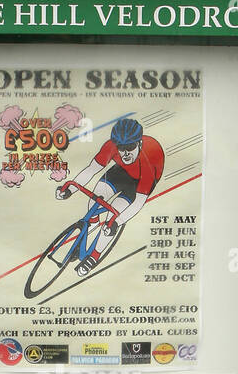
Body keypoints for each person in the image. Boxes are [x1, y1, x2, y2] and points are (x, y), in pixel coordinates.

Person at [55, 117, 165, 277]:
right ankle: (90, 226)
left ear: (139, 144)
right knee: (96, 197)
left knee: (112, 219)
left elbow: (139, 202)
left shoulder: (149, 161)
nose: (125, 152)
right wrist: (70, 189)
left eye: (130, 147)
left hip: (140, 182)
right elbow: (91, 169)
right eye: (121, 148)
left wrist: (116, 223)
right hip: (121, 172)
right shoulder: (111, 146)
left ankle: (94, 256)